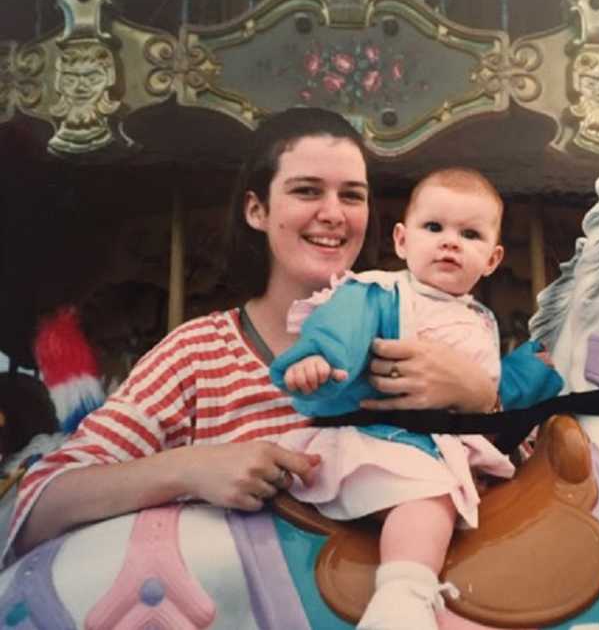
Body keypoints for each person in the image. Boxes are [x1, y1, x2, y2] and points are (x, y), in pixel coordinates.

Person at [6, 108, 508, 563]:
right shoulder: (197, 355)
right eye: (307, 190)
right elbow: (35, 506)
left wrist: (479, 397)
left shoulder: (422, 326)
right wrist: (188, 468)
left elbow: (525, 503)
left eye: (351, 195)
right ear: (257, 210)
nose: (334, 213)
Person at [269, 167, 563, 630]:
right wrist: (319, 362)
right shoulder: (381, 292)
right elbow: (340, 332)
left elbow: (494, 392)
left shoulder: (480, 319)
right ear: (402, 241)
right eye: (434, 228)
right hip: (379, 444)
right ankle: (403, 598)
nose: (450, 242)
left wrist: (536, 369)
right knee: (430, 499)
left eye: (469, 234)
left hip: (435, 450)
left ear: (492, 258)